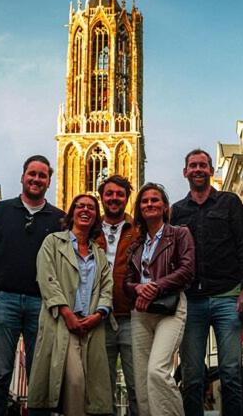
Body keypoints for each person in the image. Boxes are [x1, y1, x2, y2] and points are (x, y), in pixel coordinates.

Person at [0, 155, 64, 416]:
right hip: (4, 300)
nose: (36, 179)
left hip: (42, 304)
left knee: (39, 376)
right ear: (23, 176)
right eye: (32, 174)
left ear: (49, 181)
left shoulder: (59, 219)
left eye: (42, 175)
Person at [170, 149, 243, 416]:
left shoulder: (229, 202)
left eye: (203, 165)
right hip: (191, 301)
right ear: (185, 172)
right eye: (193, 165)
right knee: (192, 376)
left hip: (228, 297)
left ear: (210, 170)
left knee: (231, 373)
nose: (198, 169)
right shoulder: (176, 211)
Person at [28, 194, 114, 416]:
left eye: (91, 208)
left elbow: (107, 286)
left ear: (96, 217)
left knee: (91, 389)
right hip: (63, 322)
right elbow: (47, 279)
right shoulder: (53, 242)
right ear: (72, 212)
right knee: (75, 381)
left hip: (91, 325)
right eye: (80, 206)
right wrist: (67, 313)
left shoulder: (99, 254)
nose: (85, 210)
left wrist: (100, 313)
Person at [124, 182, 195, 416]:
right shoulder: (136, 245)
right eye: (144, 201)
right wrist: (138, 289)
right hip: (141, 313)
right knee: (142, 381)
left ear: (165, 206)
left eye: (155, 200)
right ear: (139, 208)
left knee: (157, 371)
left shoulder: (180, 234)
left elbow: (187, 270)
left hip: (170, 308)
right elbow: (127, 282)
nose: (149, 204)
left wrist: (155, 287)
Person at [96, 175, 139, 416]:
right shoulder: (89, 229)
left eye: (119, 194)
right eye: (109, 194)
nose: (114, 198)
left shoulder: (139, 230)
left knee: (136, 386)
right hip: (99, 319)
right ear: (101, 197)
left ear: (127, 198)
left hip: (132, 317)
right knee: (103, 387)